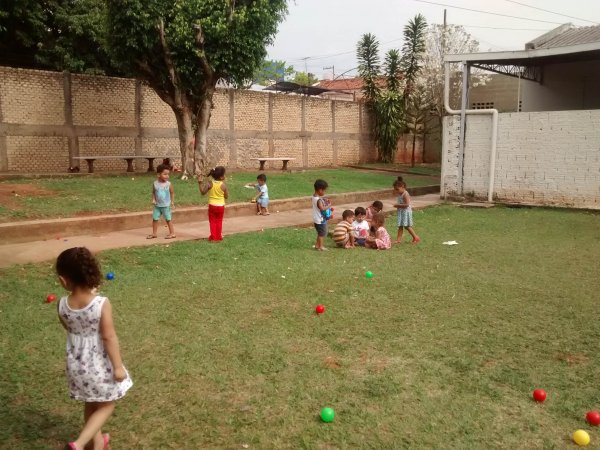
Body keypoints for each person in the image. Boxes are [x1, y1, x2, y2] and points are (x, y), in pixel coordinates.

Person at [55, 247, 132, 450]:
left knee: (90, 402)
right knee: (107, 405)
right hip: (99, 364)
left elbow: (70, 327)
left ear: (64, 280)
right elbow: (108, 336)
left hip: (76, 364)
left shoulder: (61, 305)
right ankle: (79, 444)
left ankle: (97, 444)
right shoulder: (101, 303)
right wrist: (118, 367)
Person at [198, 166, 228, 241]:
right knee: (219, 221)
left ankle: (213, 237)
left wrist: (200, 183)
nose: (225, 176)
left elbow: (202, 192)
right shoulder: (223, 185)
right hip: (221, 206)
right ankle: (219, 237)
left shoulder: (210, 184)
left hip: (212, 206)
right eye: (224, 174)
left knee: (212, 221)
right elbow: (226, 196)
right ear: (221, 177)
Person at [147, 163, 176, 239]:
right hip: (157, 206)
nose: (167, 176)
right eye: (165, 174)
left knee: (168, 219)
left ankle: (172, 233)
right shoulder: (155, 184)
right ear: (158, 175)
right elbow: (153, 192)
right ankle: (154, 233)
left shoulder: (168, 184)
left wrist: (172, 202)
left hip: (166, 206)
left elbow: (172, 193)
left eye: (168, 174)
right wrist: (153, 199)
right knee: (155, 219)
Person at [393, 176, 421, 244]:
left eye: (397, 189)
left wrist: (398, 205)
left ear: (402, 187)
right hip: (401, 212)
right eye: (395, 189)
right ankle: (398, 240)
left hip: (405, 212)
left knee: (407, 226)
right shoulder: (400, 193)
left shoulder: (405, 194)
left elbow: (407, 204)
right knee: (400, 226)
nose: (396, 191)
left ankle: (416, 237)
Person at [312, 179, 330, 251]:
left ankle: (317, 245)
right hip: (320, 219)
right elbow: (322, 209)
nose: (324, 192)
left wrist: (323, 199)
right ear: (320, 190)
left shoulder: (314, 197)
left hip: (316, 218)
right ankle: (321, 246)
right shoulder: (318, 200)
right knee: (322, 233)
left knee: (320, 233)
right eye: (324, 190)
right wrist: (328, 205)